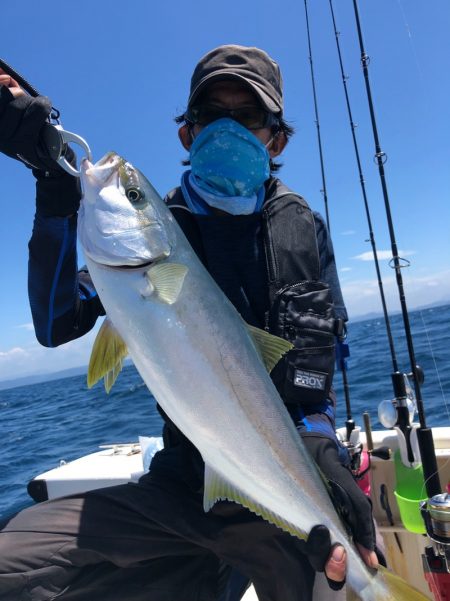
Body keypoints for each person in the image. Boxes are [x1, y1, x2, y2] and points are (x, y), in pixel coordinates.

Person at [0, 45, 379, 601]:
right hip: (179, 485)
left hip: (275, 487)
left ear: (276, 138)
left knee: (340, 578)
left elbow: (316, 370)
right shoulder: (158, 238)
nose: (228, 128)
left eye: (248, 116)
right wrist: (53, 190)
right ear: (187, 134)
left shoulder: (303, 231)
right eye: (210, 115)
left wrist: (320, 444)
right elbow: (57, 324)